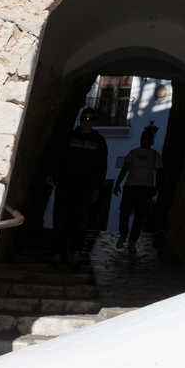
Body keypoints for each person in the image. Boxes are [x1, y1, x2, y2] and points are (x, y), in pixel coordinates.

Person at [50, 108, 109, 265]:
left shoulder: (99, 141)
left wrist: (97, 188)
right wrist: (53, 176)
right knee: (61, 219)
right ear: (80, 119)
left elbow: (102, 167)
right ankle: (58, 251)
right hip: (65, 184)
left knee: (81, 221)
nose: (86, 122)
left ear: (94, 122)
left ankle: (75, 251)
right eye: (84, 118)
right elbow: (58, 158)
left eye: (90, 119)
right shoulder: (69, 137)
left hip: (86, 188)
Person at [114, 124, 164, 253]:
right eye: (143, 138)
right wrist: (117, 184)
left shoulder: (155, 155)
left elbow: (159, 174)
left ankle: (132, 241)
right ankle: (123, 234)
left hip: (146, 189)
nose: (144, 140)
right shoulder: (133, 152)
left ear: (151, 141)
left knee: (139, 217)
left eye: (147, 138)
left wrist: (156, 188)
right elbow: (125, 169)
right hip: (130, 187)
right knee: (124, 213)